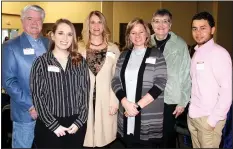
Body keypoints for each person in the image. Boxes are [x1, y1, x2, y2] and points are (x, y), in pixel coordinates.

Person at [30, 18, 90, 148]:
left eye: (69, 34)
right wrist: (53, 125)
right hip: (49, 125)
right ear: (52, 35)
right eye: (60, 33)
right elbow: (38, 97)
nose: (65, 38)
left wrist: (80, 121)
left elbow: (85, 94)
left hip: (75, 125)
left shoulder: (80, 62)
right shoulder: (40, 63)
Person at [111, 18, 167, 148]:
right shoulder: (124, 55)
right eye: (133, 33)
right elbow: (115, 80)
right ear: (128, 36)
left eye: (141, 32)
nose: (137, 36)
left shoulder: (156, 54)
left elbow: (160, 82)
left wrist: (137, 107)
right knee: (129, 143)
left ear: (147, 34)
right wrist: (125, 103)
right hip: (126, 110)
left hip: (146, 113)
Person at [2, 5, 49, 148]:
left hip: (50, 112)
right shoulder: (10, 46)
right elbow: (8, 81)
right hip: (26, 113)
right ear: (22, 21)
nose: (35, 23)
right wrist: (30, 105)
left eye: (38, 19)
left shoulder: (49, 43)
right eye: (30, 18)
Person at [188, 11, 232, 148]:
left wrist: (212, 121)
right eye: (194, 28)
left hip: (208, 119)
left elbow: (227, 91)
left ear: (212, 30)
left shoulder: (219, 54)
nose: (198, 32)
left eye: (203, 28)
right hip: (194, 117)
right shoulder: (196, 53)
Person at [150, 8, 191, 148]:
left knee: (167, 138)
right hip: (149, 98)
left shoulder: (180, 44)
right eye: (157, 21)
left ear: (170, 25)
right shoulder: (146, 43)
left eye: (165, 21)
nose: (161, 25)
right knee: (150, 137)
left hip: (171, 99)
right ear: (151, 24)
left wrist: (183, 101)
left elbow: (186, 74)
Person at [78, 10, 120, 147]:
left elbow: (117, 77)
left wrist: (115, 101)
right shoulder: (79, 48)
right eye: (93, 22)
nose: (96, 26)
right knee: (85, 137)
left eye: (99, 22)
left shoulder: (113, 49)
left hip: (106, 99)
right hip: (83, 100)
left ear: (104, 25)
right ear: (88, 25)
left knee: (105, 138)